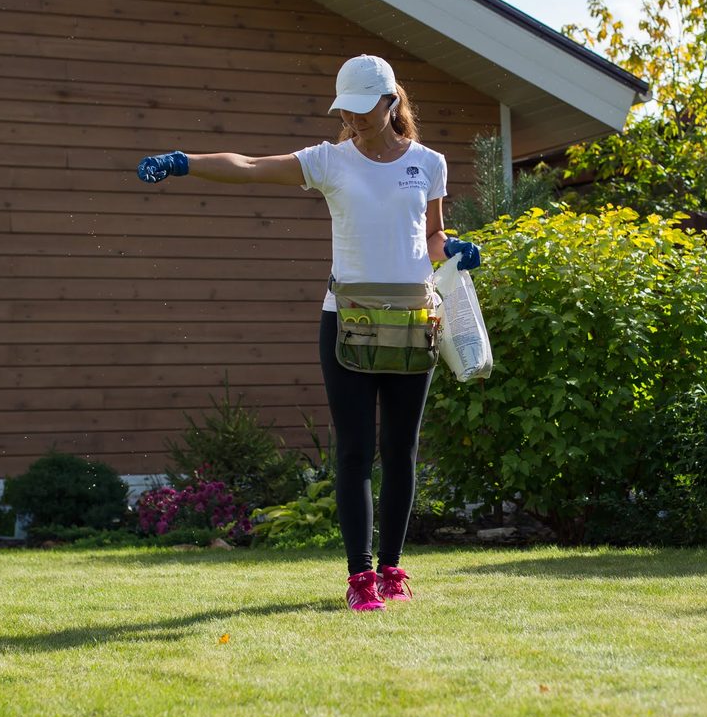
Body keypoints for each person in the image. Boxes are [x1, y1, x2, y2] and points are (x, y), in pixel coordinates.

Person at [136, 54, 480, 613]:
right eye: (347, 110)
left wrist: (455, 248)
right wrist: (184, 162)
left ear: (391, 103)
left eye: (365, 109)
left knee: (401, 450)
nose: (354, 120)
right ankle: (360, 578)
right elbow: (249, 166)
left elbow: (433, 235)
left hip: (412, 322)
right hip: (345, 320)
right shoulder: (328, 162)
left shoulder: (429, 163)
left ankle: (393, 569)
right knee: (354, 451)